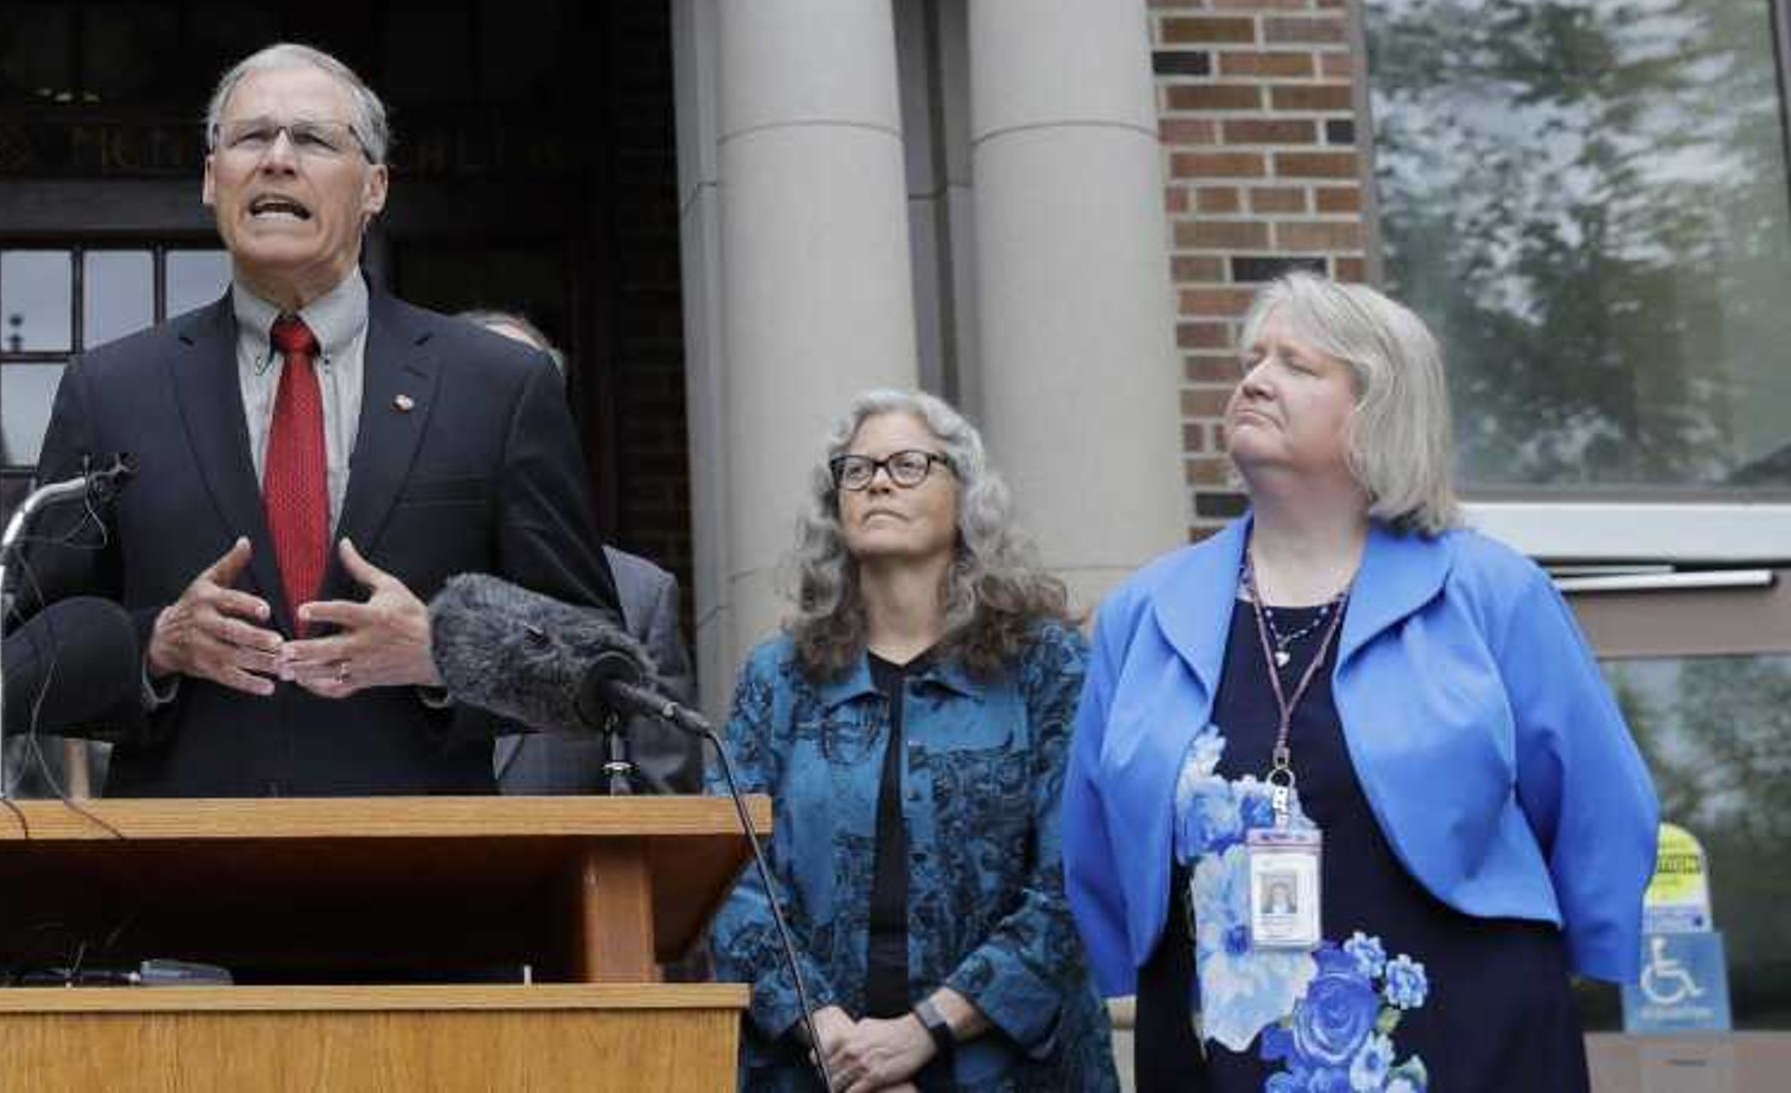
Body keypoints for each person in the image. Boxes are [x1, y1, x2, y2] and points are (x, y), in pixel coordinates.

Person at [1064, 273, 1660, 1092]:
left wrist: (1576, 960)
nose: (1255, 380)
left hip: (1469, 1039)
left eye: (1297, 365)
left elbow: (1596, 800)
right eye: (1252, 359)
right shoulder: (1145, 610)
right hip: (1222, 1049)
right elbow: (1093, 823)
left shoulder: (1490, 590)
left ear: (1379, 407)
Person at [13, 42, 618, 797]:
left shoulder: (497, 384)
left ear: (375, 187)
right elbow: (25, 656)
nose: (276, 158)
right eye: (248, 137)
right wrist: (156, 645)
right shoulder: (110, 389)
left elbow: (597, 662)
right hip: (178, 879)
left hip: (427, 878)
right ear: (211, 180)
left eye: (313, 139)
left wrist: (442, 651)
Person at [707, 390, 1103, 1093]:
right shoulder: (778, 679)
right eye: (856, 471)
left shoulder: (1045, 667)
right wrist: (834, 1036)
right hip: (817, 1068)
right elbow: (728, 873)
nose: (879, 482)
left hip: (1009, 1070)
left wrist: (924, 1032)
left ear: (967, 496)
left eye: (909, 464)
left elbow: (1074, 880)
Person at [464, 311, 702, 796]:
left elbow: (665, 819)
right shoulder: (372, 584)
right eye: (481, 393)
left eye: (525, 398)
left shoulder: (637, 596)